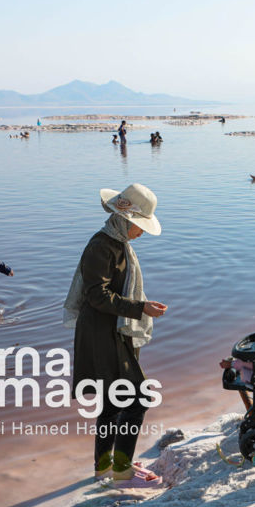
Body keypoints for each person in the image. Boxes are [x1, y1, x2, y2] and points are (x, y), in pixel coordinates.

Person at [63, 183, 168, 486]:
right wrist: (140, 307)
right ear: (124, 219)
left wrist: (139, 307)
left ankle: (105, 467)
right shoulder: (101, 246)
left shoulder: (118, 244)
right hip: (102, 332)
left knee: (114, 401)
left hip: (112, 328)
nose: (142, 232)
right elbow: (96, 296)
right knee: (138, 399)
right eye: (139, 226)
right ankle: (121, 469)